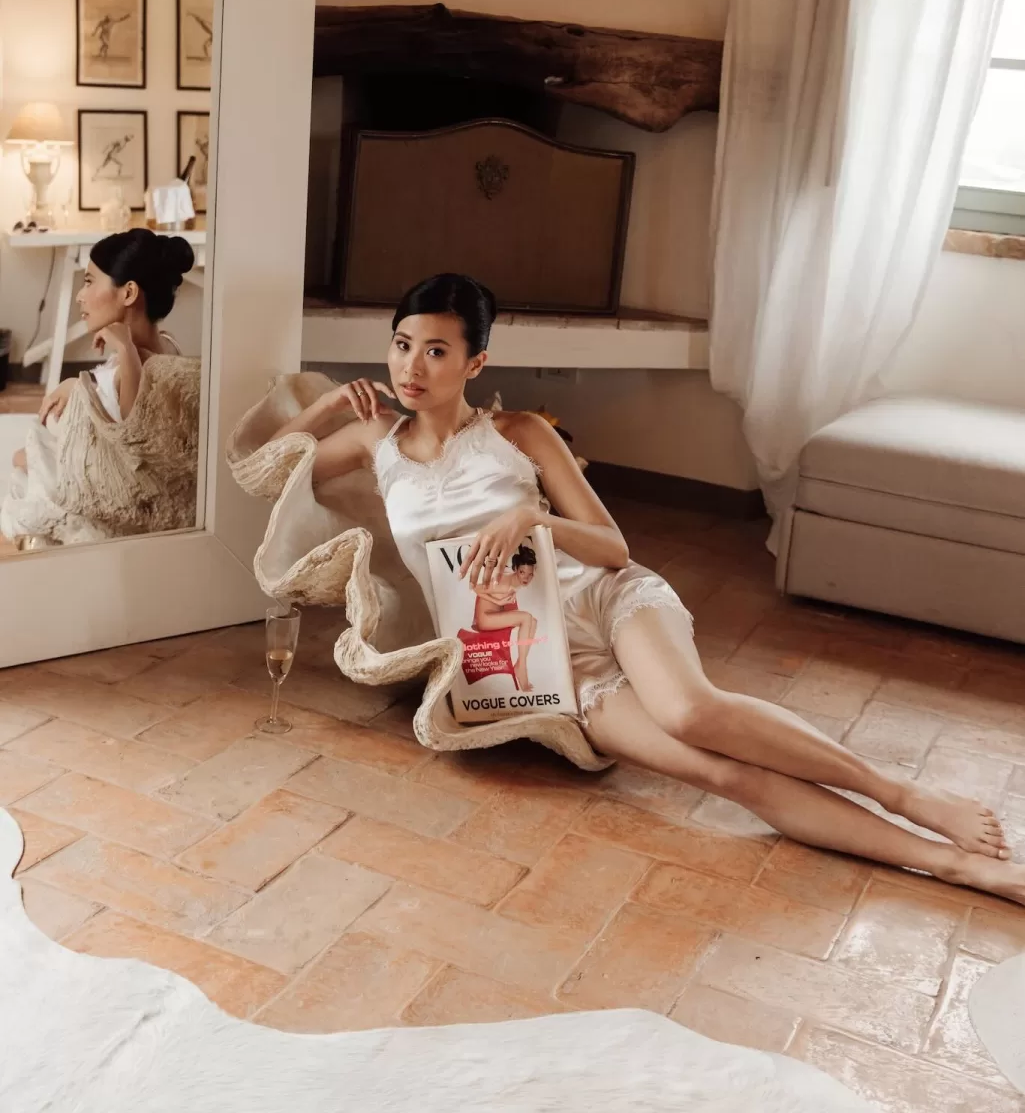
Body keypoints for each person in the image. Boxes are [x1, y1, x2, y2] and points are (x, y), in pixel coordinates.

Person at [271, 271, 1024, 907]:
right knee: (720, 773)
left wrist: (532, 517)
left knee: (690, 710)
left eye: (436, 350)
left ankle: (903, 794)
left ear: (474, 362)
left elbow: (610, 547)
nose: (413, 366)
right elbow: (272, 463)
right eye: (403, 345)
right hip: (530, 655)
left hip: (603, 598)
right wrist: (333, 404)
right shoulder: (378, 446)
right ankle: (953, 864)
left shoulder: (521, 432)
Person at [17, 232, 194, 462]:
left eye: (89, 281)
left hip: (92, 474)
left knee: (20, 459)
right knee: (22, 456)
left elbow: (131, 435)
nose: (80, 296)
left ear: (128, 293)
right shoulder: (167, 344)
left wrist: (124, 347)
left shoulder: (132, 361)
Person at [471, 544, 539, 691]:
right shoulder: (504, 585)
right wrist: (499, 601)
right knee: (526, 618)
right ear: (515, 570)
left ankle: (520, 664)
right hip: (486, 619)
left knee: (533, 621)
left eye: (530, 575)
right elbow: (475, 587)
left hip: (496, 615)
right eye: (522, 573)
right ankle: (522, 668)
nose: (526, 578)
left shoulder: (515, 583)